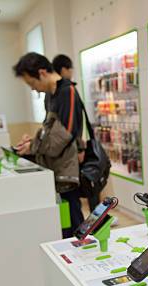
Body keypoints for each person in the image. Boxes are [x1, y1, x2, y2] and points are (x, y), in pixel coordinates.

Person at [12, 52, 85, 237]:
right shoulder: (50, 95)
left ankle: (82, 262)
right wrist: (32, 142)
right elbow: (48, 129)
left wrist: (34, 145)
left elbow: (63, 136)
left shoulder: (67, 92)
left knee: (73, 223)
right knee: (63, 223)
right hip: (55, 168)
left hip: (66, 171)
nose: (34, 89)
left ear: (42, 73)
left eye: (32, 83)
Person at [51, 54, 101, 211]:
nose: (72, 73)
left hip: (65, 152)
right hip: (72, 151)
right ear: (64, 69)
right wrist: (79, 149)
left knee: (80, 189)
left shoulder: (58, 91)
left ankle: (95, 220)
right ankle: (96, 220)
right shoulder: (67, 90)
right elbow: (71, 126)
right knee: (88, 183)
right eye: (71, 69)